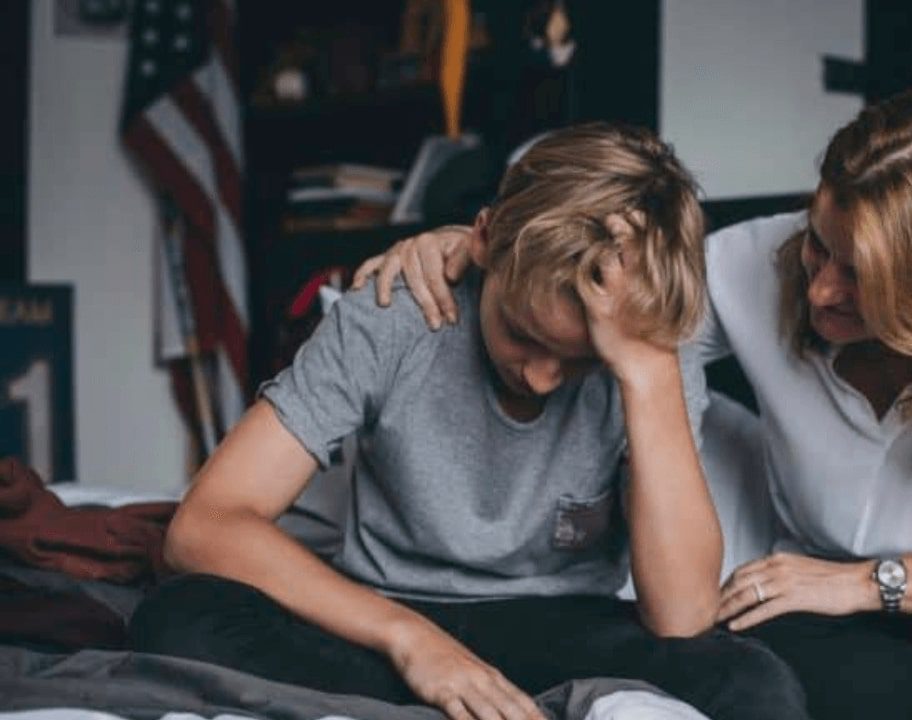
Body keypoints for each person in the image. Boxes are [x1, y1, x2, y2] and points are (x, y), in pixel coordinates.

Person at [355, 88, 912, 719]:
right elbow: (595, 301)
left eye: (861, 278)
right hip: (829, 608)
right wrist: (473, 248)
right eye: (819, 241)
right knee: (843, 693)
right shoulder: (748, 262)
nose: (819, 288)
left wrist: (863, 583)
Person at [129, 123, 809, 720]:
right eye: (525, 336)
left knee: (748, 679)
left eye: (577, 363)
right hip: (385, 614)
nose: (543, 379)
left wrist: (645, 371)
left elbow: (683, 615)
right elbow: (203, 527)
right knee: (180, 618)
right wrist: (412, 641)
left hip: (561, 627)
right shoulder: (396, 314)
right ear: (483, 239)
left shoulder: (649, 350)